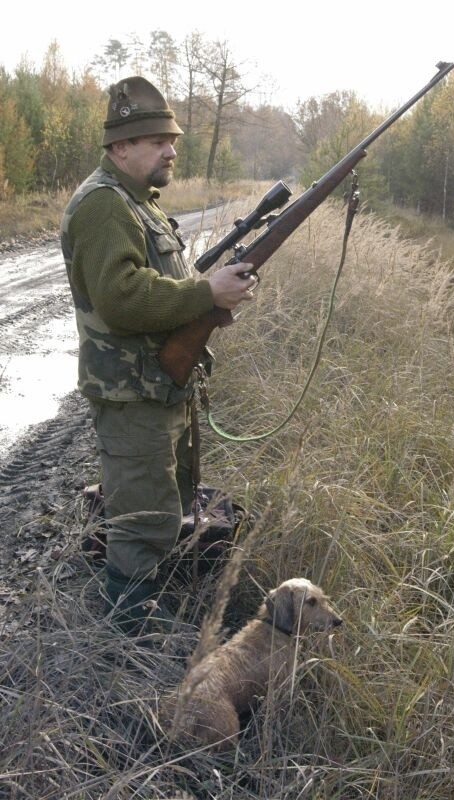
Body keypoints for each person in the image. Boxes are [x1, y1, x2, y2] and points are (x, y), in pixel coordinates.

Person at [61, 76, 256, 636]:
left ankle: (149, 598)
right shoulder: (104, 205)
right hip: (132, 392)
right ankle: (130, 639)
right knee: (143, 517)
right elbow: (121, 299)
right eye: (156, 141)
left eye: (171, 138)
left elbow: (158, 288)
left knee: (167, 504)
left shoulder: (138, 204)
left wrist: (208, 301)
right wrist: (205, 293)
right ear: (120, 147)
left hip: (157, 383)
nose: (172, 149)